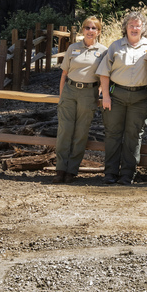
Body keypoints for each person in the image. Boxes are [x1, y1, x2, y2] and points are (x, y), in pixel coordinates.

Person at [97, 10, 147, 186]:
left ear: (143, 28)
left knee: (134, 136)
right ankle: (110, 173)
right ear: (125, 27)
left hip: (141, 97)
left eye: (138, 25)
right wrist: (105, 96)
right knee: (113, 134)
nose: (134, 28)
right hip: (117, 96)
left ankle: (128, 174)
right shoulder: (116, 46)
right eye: (131, 25)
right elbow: (104, 73)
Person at [54, 17, 107, 184]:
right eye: (87, 27)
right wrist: (62, 96)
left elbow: (103, 77)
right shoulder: (73, 48)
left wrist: (98, 93)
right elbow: (64, 74)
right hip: (70, 91)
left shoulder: (103, 51)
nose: (90, 30)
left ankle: (72, 170)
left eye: (94, 28)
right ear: (83, 30)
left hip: (88, 93)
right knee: (64, 131)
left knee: (81, 133)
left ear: (98, 32)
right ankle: (60, 169)